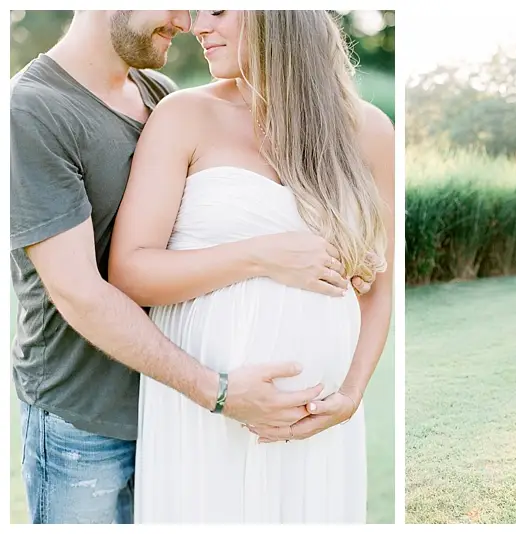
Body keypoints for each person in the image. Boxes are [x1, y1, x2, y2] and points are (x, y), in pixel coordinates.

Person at [10, 10, 371, 524]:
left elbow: (203, 223)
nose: (188, 19)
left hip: (173, 407)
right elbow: (79, 292)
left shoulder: (156, 92)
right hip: (86, 419)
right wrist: (219, 392)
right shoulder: (31, 110)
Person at [106, 10, 394, 523]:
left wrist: (350, 395)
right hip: (204, 415)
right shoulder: (184, 116)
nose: (198, 26)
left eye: (219, 10)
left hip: (317, 422)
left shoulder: (369, 129)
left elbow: (380, 285)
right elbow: (130, 272)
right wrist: (261, 255)